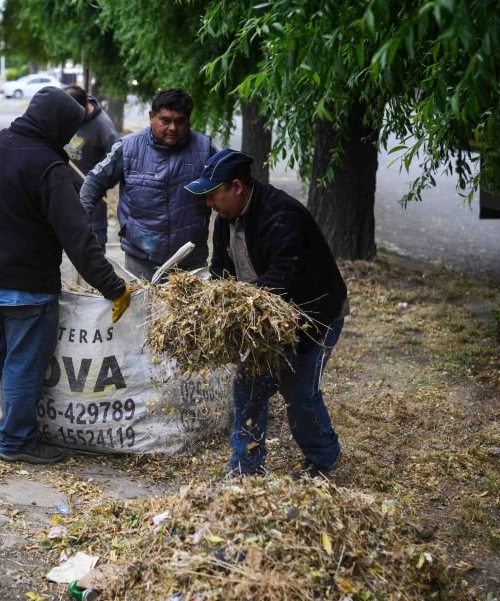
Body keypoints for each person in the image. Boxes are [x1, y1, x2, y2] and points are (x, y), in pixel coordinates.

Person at [0, 86, 131, 465]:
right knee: (22, 361)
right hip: (27, 291)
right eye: (68, 131)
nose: (69, 140)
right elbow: (79, 239)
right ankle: (15, 441)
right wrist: (113, 287)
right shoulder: (49, 168)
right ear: (55, 124)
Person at [184, 149, 349, 477]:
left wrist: (236, 307)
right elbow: (220, 269)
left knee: (298, 389)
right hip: (267, 317)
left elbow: (280, 280)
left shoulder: (281, 215)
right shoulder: (225, 219)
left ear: (237, 187)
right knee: (249, 385)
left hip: (312, 315)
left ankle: (323, 457)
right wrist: (212, 301)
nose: (208, 203)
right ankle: (245, 467)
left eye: (213, 194)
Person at [80, 88, 217, 280]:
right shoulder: (128, 148)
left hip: (190, 263)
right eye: (165, 120)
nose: (172, 128)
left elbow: (227, 192)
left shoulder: (205, 150)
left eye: (180, 122)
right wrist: (80, 223)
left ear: (189, 120)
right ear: (151, 117)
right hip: (140, 261)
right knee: (142, 310)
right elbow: (94, 181)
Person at [63, 85, 119, 248]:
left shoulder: (103, 126)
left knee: (94, 245)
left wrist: (100, 184)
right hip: (66, 191)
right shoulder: (66, 114)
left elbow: (117, 163)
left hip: (93, 198)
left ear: (82, 106)